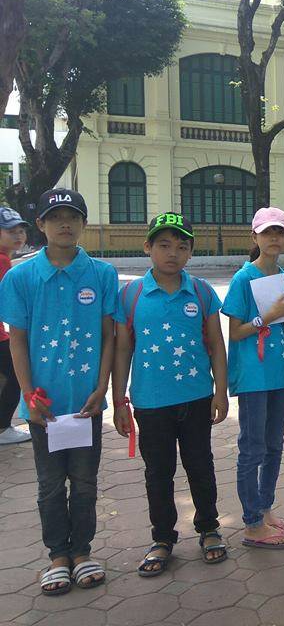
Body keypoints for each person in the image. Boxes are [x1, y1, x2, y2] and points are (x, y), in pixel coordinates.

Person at [0, 189, 117, 595]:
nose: (64, 224)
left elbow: (109, 335)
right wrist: (29, 395)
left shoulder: (101, 275)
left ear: (84, 223)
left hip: (85, 404)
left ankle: (82, 552)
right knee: (50, 484)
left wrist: (101, 387)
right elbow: (17, 340)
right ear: (41, 224)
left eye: (73, 216)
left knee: (84, 481)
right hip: (43, 406)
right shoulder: (20, 278)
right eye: (55, 217)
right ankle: (57, 557)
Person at [112, 213, 229, 575]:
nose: (172, 253)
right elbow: (122, 350)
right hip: (150, 402)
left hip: (196, 398)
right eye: (163, 245)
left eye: (181, 246)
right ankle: (162, 538)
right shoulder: (131, 295)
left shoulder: (201, 292)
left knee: (200, 465)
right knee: (158, 473)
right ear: (147, 247)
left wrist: (221, 392)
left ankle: (209, 529)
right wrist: (119, 401)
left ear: (191, 252)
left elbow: (216, 344)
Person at [222, 207, 284, 549]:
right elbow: (235, 331)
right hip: (254, 378)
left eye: (280, 232)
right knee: (251, 449)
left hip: (280, 376)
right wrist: (267, 317)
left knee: (274, 446)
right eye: (268, 232)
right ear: (254, 236)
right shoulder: (243, 279)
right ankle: (252, 523)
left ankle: (265, 510)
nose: (274, 238)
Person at [0, 207, 31, 445]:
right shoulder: (2, 261)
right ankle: (2, 428)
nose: (18, 235)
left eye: (21, 230)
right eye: (11, 231)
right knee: (15, 374)